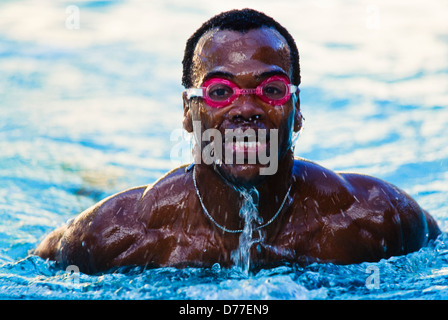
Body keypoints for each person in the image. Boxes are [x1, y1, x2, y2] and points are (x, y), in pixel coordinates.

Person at [33, 8, 440, 274]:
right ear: (188, 113)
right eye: (220, 92)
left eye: (272, 89)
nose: (245, 108)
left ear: (297, 110)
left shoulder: (371, 217)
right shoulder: (118, 234)